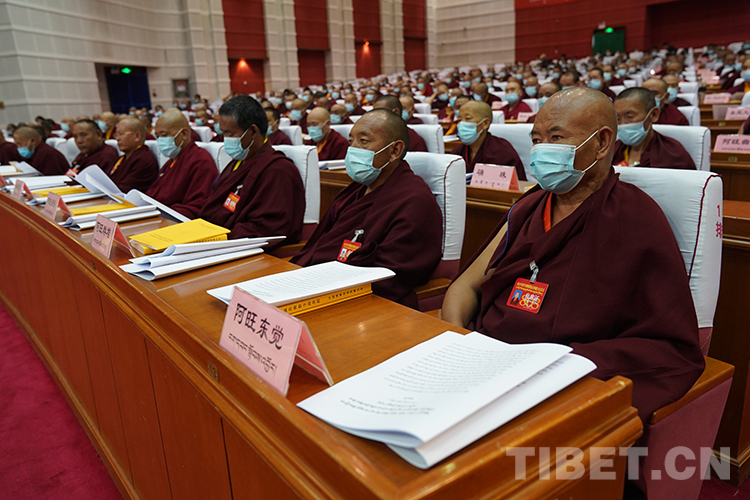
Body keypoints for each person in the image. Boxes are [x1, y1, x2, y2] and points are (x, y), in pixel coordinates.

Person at [441, 87, 704, 420]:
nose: (541, 150)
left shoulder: (636, 216)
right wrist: (458, 343)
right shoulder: (529, 207)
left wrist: (555, 367)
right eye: (536, 140)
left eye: (556, 137)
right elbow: (465, 286)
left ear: (602, 142)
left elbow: (667, 346)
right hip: (484, 359)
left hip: (556, 380)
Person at [292, 109, 442, 309]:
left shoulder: (415, 200)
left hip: (356, 299)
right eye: (351, 141)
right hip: (317, 283)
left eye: (364, 141)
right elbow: (324, 244)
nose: (353, 149)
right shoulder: (355, 190)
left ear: (395, 151)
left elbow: (391, 276)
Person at [198, 96, 304, 250]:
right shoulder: (238, 163)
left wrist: (220, 239)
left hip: (244, 250)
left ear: (253, 131)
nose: (225, 140)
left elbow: (269, 228)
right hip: (217, 240)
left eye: (230, 134)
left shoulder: (279, 170)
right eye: (223, 133)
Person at [145, 109, 217, 218]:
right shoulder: (170, 163)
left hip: (176, 219)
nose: (160, 140)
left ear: (184, 133)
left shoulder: (200, 160)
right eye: (157, 136)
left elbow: (200, 204)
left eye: (164, 135)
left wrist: (164, 215)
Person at [612, 87, 695, 169]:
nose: (622, 124)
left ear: (653, 114)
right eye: (618, 118)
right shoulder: (614, 149)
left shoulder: (673, 153)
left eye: (630, 116)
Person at [450, 101, 525, 178]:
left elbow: (517, 182)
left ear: (485, 123)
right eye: (459, 120)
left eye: (468, 118)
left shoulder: (503, 150)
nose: (461, 124)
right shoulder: (457, 152)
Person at [107, 117, 158, 193]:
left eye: (121, 134)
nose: (117, 138)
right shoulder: (123, 158)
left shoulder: (143, 160)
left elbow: (124, 190)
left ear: (137, 136)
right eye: (116, 134)